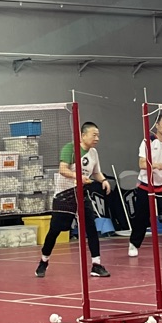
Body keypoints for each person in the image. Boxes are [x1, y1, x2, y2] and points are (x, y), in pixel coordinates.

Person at [36, 120, 111, 280]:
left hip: (81, 194)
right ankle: (44, 261)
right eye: (94, 135)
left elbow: (96, 172)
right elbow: (62, 169)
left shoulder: (94, 153)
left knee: (91, 228)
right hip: (65, 194)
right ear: (83, 135)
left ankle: (96, 264)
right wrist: (78, 176)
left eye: (98, 135)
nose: (97, 138)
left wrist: (103, 180)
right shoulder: (70, 148)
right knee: (55, 230)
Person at [130, 112, 162, 261]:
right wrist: (154, 165)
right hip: (146, 185)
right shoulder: (148, 141)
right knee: (141, 217)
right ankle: (134, 244)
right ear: (157, 125)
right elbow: (141, 163)